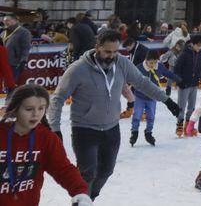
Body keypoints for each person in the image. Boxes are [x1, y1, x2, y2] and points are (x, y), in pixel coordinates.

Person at [47, 29, 181, 199]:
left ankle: (89, 198)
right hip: (84, 129)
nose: (112, 56)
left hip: (111, 128)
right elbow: (58, 98)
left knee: (106, 170)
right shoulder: (78, 69)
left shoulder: (122, 63)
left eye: (116, 51)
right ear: (97, 48)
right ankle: (82, 202)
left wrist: (166, 100)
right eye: (107, 52)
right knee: (87, 173)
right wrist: (55, 128)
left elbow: (141, 82)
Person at [0, 84, 93, 205]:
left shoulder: (46, 138)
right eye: (29, 109)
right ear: (16, 109)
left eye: (41, 108)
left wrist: (80, 192)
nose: (35, 114)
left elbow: (63, 169)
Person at [130, 52, 178, 146]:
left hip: (152, 97)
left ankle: (148, 133)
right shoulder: (139, 67)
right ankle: (134, 132)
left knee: (151, 116)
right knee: (137, 115)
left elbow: (167, 73)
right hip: (139, 96)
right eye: (151, 63)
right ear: (146, 61)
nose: (153, 65)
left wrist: (179, 79)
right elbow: (133, 79)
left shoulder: (158, 66)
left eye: (155, 63)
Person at [173, 35, 201, 137]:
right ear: (192, 44)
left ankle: (188, 125)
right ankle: (179, 124)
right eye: (198, 45)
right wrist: (179, 81)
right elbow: (176, 69)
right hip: (184, 84)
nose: (199, 48)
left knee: (192, 107)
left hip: (194, 84)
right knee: (181, 106)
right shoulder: (185, 54)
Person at [2, 14, 32, 83]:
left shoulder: (24, 32)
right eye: (4, 21)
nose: (5, 22)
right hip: (3, 62)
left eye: (7, 20)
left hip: (14, 63)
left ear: (15, 21)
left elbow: (26, 48)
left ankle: (11, 93)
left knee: (10, 83)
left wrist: (23, 61)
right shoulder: (3, 33)